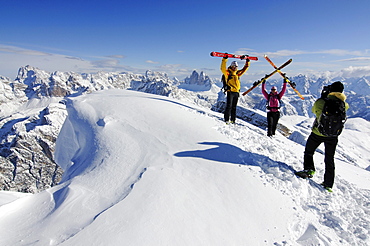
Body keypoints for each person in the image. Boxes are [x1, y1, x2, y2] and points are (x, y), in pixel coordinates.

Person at [296, 81, 349, 192]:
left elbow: (314, 111)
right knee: (329, 159)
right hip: (333, 136)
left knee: (309, 152)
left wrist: (323, 97)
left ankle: (309, 170)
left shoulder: (321, 102)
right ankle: (328, 184)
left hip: (317, 133)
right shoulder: (344, 104)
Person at [220, 55, 250, 124]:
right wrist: (224, 59)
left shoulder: (237, 74)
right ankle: (226, 119)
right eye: (234, 66)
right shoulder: (228, 73)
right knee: (229, 106)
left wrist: (247, 62)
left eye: (236, 67)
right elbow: (222, 68)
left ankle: (233, 120)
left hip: (236, 92)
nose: (235, 68)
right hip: (230, 92)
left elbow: (244, 69)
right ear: (231, 66)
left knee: (234, 107)